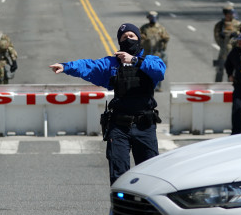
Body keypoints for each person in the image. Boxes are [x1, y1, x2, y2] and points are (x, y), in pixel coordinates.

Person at [49, 23, 165, 184]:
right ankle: (121, 207)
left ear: (138, 39)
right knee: (119, 175)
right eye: (124, 37)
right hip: (119, 127)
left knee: (150, 175)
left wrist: (135, 60)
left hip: (144, 126)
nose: (128, 39)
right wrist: (66, 66)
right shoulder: (112, 64)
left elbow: (160, 71)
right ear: (119, 42)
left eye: (131, 36)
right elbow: (88, 66)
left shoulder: (150, 61)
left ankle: (148, 208)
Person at [140, 11, 170, 91]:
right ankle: (146, 86)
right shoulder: (144, 28)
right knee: (146, 69)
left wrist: (163, 37)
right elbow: (139, 37)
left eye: (154, 17)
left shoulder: (160, 28)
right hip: (147, 52)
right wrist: (143, 37)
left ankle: (157, 86)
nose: (152, 19)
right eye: (150, 17)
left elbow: (167, 37)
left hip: (157, 52)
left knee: (158, 69)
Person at [213, 4, 241, 82]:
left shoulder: (237, 24)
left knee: (233, 71)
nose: (232, 15)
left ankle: (231, 86)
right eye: (230, 13)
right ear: (226, 14)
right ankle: (218, 86)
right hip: (223, 52)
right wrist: (223, 38)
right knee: (220, 70)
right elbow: (216, 37)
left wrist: (236, 35)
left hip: (234, 51)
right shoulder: (220, 25)